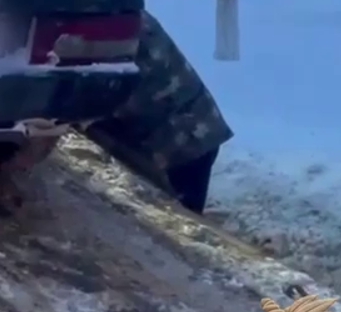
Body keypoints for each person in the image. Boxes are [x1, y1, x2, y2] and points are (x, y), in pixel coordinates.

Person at [81, 11, 232, 215]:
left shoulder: (118, 31)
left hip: (186, 141)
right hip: (190, 130)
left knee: (181, 223)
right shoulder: (119, 8)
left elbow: (100, 100)